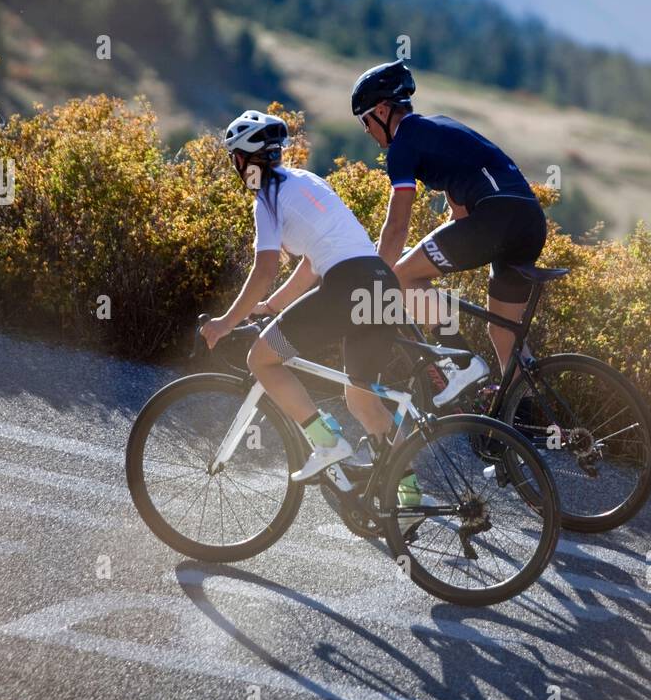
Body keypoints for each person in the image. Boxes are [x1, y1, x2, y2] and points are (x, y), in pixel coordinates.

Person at [200, 110, 427, 507]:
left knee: (262, 360)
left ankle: (326, 442)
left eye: (234, 158)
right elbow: (310, 264)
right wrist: (273, 306)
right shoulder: (308, 181)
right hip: (380, 284)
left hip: (347, 285)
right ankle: (409, 501)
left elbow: (265, 268)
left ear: (242, 160)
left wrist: (224, 323)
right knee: (362, 399)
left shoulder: (266, 196)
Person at [352, 60, 547, 404]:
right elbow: (461, 215)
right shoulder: (439, 129)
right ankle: (532, 420)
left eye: (365, 120)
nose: (366, 130)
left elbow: (397, 226)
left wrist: (376, 275)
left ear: (382, 110)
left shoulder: (403, 145)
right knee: (502, 330)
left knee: (401, 278)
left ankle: (460, 362)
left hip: (497, 218)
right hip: (529, 221)